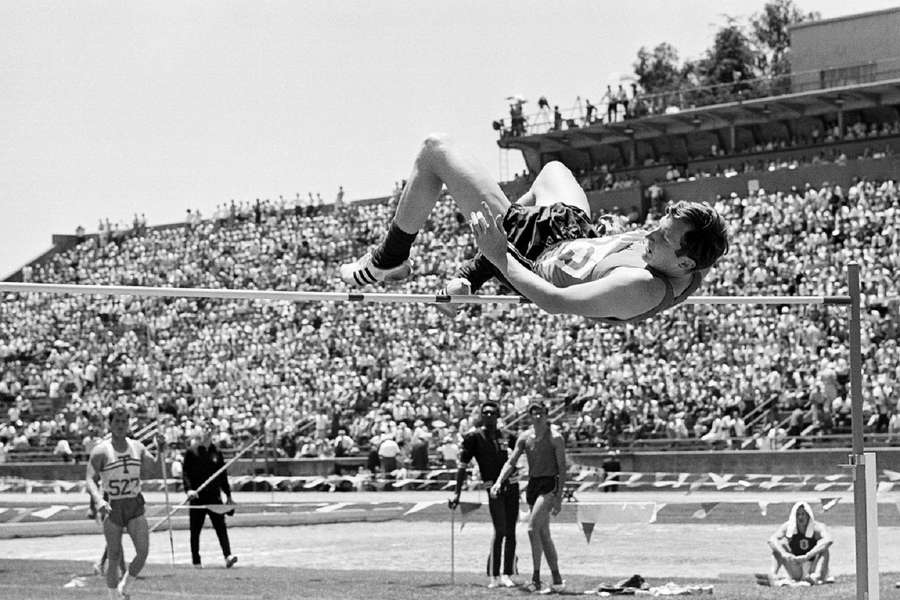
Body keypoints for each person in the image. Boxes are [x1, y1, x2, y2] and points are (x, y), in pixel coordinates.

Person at [339, 133, 728, 323]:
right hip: (577, 235)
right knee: (553, 171)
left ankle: (389, 259)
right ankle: (476, 272)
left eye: (662, 238)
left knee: (435, 151)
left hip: (535, 255)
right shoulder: (694, 257)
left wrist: (498, 257)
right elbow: (711, 233)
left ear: (685, 264)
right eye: (658, 227)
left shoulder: (639, 288)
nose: (650, 234)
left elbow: (554, 303)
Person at [86, 406, 163, 600]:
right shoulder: (101, 451)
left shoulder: (137, 446)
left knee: (143, 552)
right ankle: (113, 596)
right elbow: (89, 479)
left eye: (124, 422)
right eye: (117, 422)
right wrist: (98, 500)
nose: (120, 426)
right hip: (113, 506)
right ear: (110, 424)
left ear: (129, 424)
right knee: (113, 556)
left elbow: (154, 468)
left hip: (134, 505)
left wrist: (161, 449)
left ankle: (124, 587)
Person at [490, 401, 566, 594]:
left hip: (549, 485)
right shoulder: (525, 437)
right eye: (534, 413)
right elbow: (511, 461)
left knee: (532, 530)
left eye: (541, 413)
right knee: (543, 534)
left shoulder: (555, 438)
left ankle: (536, 579)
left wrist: (559, 497)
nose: (538, 416)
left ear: (547, 414)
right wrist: (499, 481)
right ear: (529, 416)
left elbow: (562, 469)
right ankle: (557, 579)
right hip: (533, 485)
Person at [450, 401, 519, 589]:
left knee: (512, 532)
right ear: (481, 415)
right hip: (492, 487)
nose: (488, 416)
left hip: (512, 486)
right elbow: (462, 466)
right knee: (500, 530)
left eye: (492, 413)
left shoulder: (509, 436)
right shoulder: (473, 438)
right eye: (485, 413)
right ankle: (494, 575)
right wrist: (457, 492)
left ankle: (508, 573)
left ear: (498, 415)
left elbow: (524, 451)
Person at [182, 424, 238, 569]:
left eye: (210, 430)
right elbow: (186, 474)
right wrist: (189, 490)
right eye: (204, 429)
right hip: (197, 497)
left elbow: (222, 476)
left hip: (214, 497)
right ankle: (196, 561)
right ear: (200, 433)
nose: (207, 432)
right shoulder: (192, 452)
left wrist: (229, 496)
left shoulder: (217, 452)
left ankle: (228, 556)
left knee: (221, 527)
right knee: (195, 530)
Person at [764, 501, 834, 586]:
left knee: (824, 549)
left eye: (803, 514)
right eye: (798, 514)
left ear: (808, 515)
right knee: (780, 546)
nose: (800, 517)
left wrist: (808, 555)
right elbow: (772, 540)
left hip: (813, 565)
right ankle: (773, 575)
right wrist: (784, 554)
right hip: (796, 565)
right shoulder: (788, 527)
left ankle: (815, 577)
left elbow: (828, 540)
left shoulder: (817, 527)